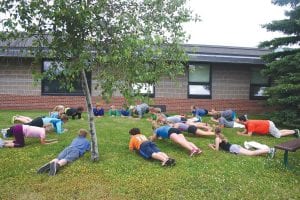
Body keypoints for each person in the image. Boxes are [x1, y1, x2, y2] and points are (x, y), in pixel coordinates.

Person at [208, 127, 276, 158]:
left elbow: (217, 150)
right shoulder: (221, 137)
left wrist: (211, 146)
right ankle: (267, 150)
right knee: (250, 153)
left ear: (215, 132)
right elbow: (221, 145)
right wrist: (213, 145)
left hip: (234, 149)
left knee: (251, 154)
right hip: (234, 146)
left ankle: (269, 150)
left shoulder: (217, 138)